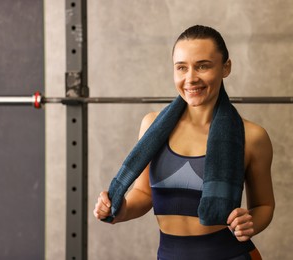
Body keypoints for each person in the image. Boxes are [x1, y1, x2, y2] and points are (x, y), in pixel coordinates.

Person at [94, 25, 275, 260]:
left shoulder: (252, 136)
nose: (191, 78)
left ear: (225, 67)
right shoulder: (152, 126)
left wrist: (251, 223)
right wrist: (119, 210)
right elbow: (143, 193)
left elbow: (264, 205)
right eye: (182, 68)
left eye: (203, 66)